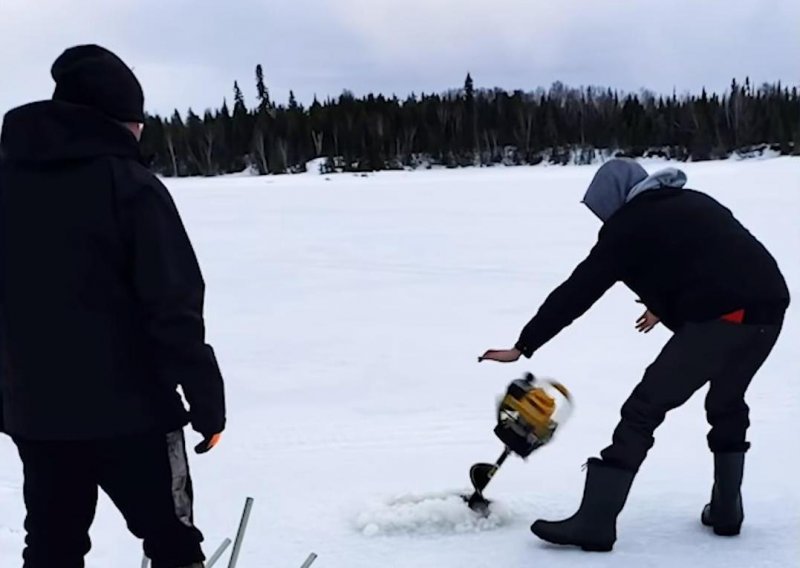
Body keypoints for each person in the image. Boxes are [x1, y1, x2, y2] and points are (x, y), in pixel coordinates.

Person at [479, 158, 789, 552]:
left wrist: (524, 345)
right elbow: (706, 259)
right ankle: (728, 511)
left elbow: (579, 289)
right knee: (726, 401)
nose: (604, 219)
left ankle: (595, 522)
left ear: (615, 199)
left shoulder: (629, 224)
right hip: (768, 311)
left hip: (723, 317)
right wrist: (667, 304)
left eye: (602, 209)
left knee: (643, 409)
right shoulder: (687, 201)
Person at [0, 45, 226, 568]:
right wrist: (206, 398)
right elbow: (173, 306)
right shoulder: (131, 187)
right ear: (119, 123)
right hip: (135, 415)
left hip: (39, 416)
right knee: (172, 540)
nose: (141, 132)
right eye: (136, 121)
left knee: (53, 545)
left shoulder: (7, 187)